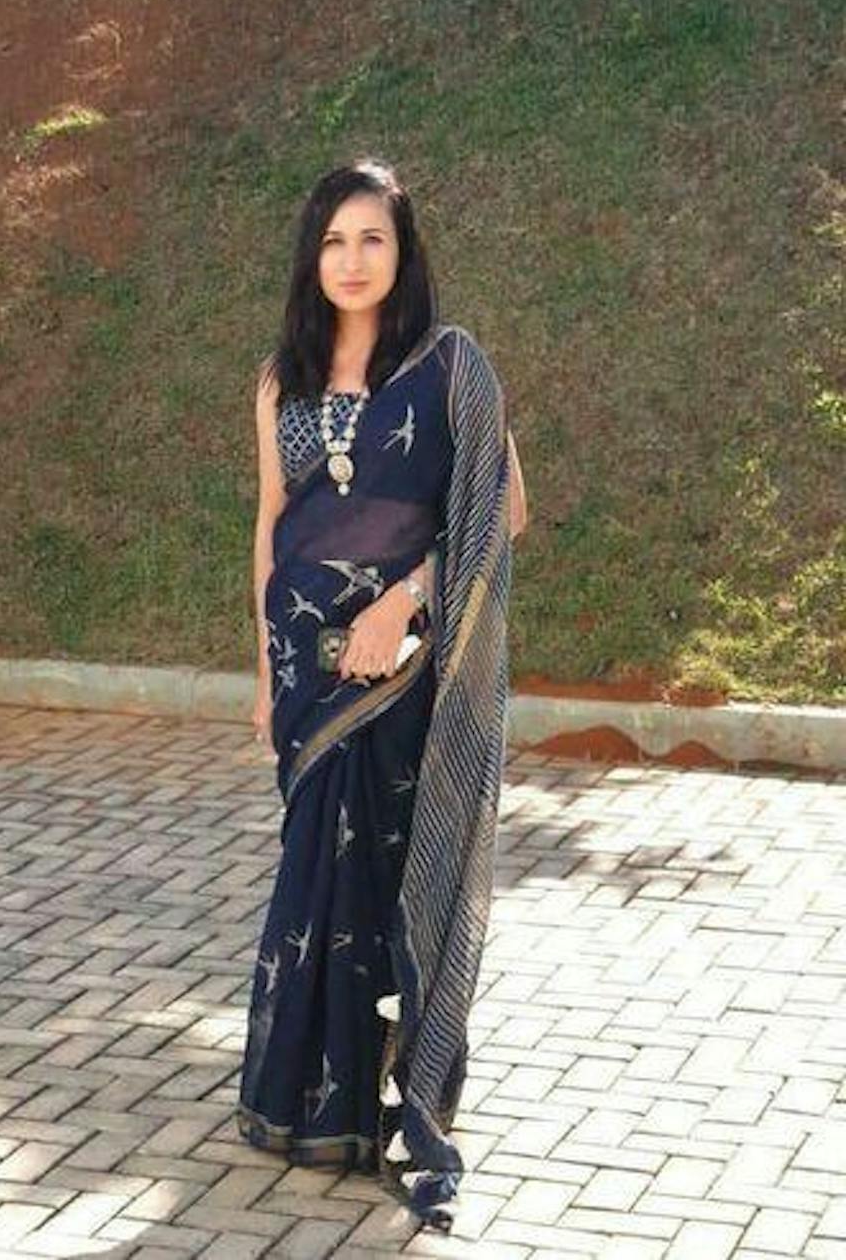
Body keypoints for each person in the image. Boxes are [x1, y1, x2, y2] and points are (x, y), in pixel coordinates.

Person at [237, 157, 528, 1231]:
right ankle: (299, 1099)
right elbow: (271, 526)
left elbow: (504, 509)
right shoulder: (283, 380)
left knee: (382, 877)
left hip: (401, 671)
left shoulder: (448, 367)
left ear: (403, 253)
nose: (351, 261)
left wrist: (403, 602)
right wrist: (265, 673)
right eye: (333, 241)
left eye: (372, 239)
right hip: (305, 677)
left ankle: (377, 1103)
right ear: (310, 258)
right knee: (311, 881)